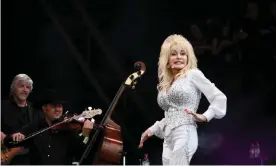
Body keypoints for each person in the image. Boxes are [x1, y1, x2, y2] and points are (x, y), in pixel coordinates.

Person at [139, 34, 227, 165]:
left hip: (185, 132)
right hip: (168, 138)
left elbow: (219, 97)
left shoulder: (193, 75)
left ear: (188, 57)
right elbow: (171, 113)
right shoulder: (165, 83)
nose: (179, 57)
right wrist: (153, 129)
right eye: (174, 54)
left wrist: (205, 116)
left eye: (183, 53)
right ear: (167, 59)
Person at [4, 89, 95, 165]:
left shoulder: (68, 130)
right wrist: (13, 137)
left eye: (60, 106)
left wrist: (85, 135)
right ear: (44, 108)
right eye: (54, 105)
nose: (58, 109)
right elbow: (8, 142)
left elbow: (81, 153)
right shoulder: (35, 127)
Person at [1, 73, 36, 165]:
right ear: (13, 88)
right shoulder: (2, 106)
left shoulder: (33, 109)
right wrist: (7, 138)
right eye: (21, 86)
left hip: (28, 159)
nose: (25, 90)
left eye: (28, 87)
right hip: (6, 155)